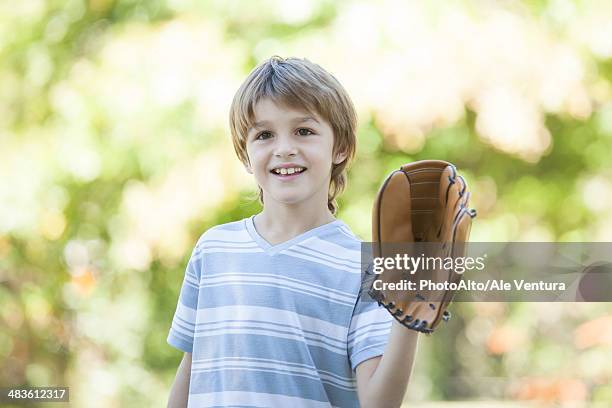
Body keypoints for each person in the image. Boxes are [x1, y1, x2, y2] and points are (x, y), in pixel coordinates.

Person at [166, 56, 419, 408]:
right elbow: (191, 370)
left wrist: (409, 319)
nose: (284, 148)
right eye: (264, 135)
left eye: (304, 131)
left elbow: (378, 403)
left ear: (340, 147)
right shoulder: (213, 249)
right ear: (245, 154)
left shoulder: (365, 267)